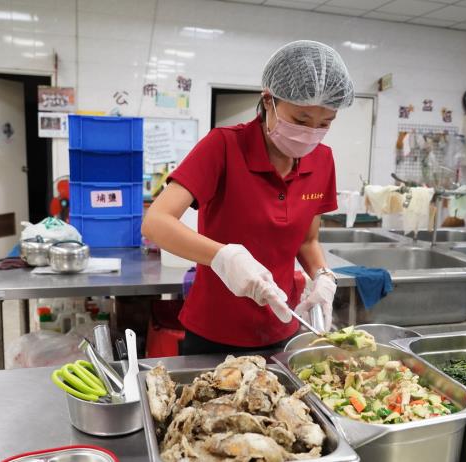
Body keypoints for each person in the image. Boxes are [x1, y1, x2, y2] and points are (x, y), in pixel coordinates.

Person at [142, 40, 354, 355]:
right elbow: (156, 223)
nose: (311, 133)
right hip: (214, 331)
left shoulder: (322, 160)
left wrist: (322, 277)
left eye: (325, 124)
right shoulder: (224, 147)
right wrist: (223, 257)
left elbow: (307, 242)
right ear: (268, 101)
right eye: (300, 120)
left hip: (284, 325)